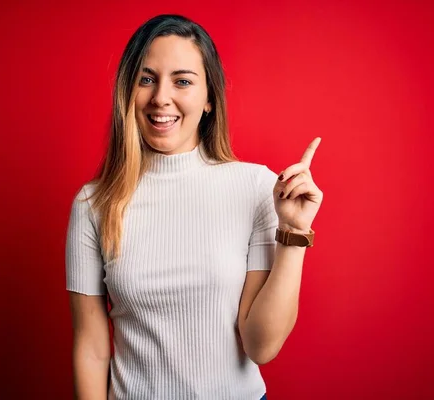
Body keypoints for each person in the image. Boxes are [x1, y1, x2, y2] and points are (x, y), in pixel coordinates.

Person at [65, 14, 323, 400]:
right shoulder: (93, 203)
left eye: (182, 81)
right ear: (128, 92)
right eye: (146, 79)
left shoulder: (256, 187)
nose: (160, 98)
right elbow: (91, 348)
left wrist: (294, 234)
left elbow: (261, 346)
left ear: (208, 100)